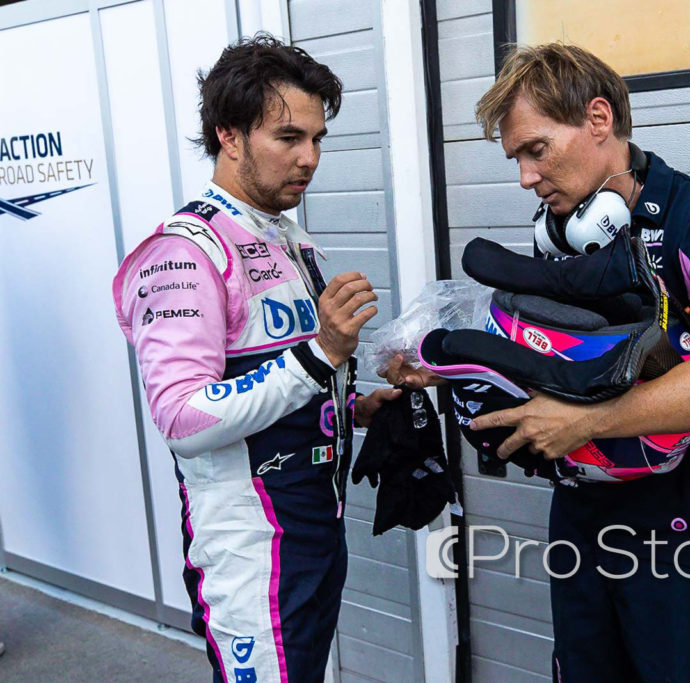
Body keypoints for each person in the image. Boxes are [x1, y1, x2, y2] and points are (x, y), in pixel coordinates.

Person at [395, 43, 690, 681]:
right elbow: (553, 360)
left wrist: (586, 420)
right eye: (517, 159)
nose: (526, 177)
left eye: (537, 149)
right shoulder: (563, 226)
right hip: (581, 525)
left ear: (599, 119)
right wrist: (442, 372)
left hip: (687, 534)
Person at [113, 34, 398, 683]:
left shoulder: (286, 236)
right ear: (230, 135)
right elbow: (183, 416)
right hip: (250, 555)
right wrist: (322, 352)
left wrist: (357, 405)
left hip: (314, 537)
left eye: (318, 139)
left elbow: (280, 377)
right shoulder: (185, 253)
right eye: (288, 137)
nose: (310, 158)